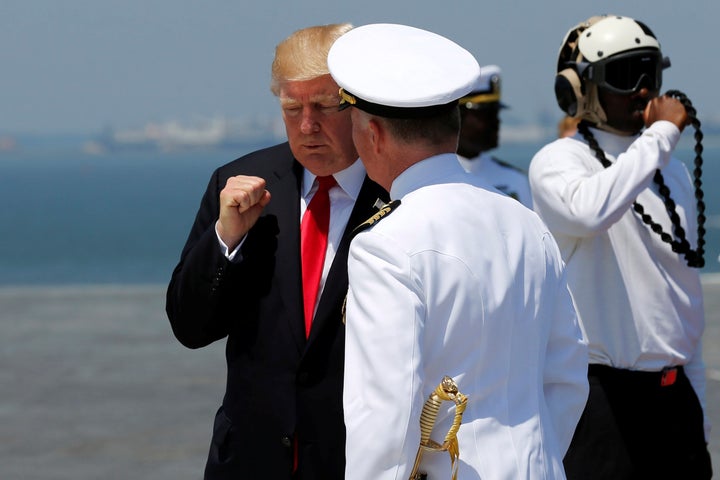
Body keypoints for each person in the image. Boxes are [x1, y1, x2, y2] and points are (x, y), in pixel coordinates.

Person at [327, 23, 588, 480]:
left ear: (373, 134)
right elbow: (566, 378)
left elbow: (384, 417)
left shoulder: (385, 244)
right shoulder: (526, 223)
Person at [165, 23, 388, 479]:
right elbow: (189, 326)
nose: (307, 125)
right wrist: (225, 239)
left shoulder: (396, 189)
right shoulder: (240, 182)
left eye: (324, 106)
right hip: (250, 459)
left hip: (356, 460)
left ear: (361, 108)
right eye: (292, 108)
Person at [528, 15, 712, 479]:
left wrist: (699, 411)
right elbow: (590, 211)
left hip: (673, 396)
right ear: (582, 88)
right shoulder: (558, 161)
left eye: (652, 72)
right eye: (626, 75)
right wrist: (661, 135)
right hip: (601, 401)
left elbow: (682, 294)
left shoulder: (667, 168)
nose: (644, 90)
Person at [457, 64, 533, 207]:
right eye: (486, 115)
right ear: (459, 117)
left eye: (496, 114)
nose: (496, 122)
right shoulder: (431, 179)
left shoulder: (514, 179)